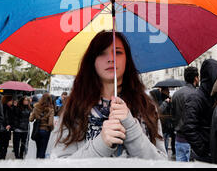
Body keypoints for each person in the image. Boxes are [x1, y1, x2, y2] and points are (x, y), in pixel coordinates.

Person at [51, 30, 167, 159]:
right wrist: (101, 144)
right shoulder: (74, 107)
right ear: (92, 61)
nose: (111, 59)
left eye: (117, 52)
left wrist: (130, 126)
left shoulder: (146, 105)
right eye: (101, 53)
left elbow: (161, 161)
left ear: (127, 59)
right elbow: (59, 163)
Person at [182, 58, 217, 163]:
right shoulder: (195, 98)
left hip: (215, 154)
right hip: (204, 157)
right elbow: (189, 128)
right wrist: (203, 151)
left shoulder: (214, 96)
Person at [171, 66, 199, 162]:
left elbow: (173, 116)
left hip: (179, 138)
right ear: (196, 78)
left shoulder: (175, 94)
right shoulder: (196, 94)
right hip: (191, 140)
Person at [29, 93, 54, 158]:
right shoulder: (51, 110)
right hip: (45, 131)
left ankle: (37, 164)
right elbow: (50, 123)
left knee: (38, 149)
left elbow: (31, 119)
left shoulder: (36, 107)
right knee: (43, 150)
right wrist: (51, 129)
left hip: (37, 131)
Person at [0, 95, 15, 159]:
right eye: (11, 101)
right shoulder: (7, 108)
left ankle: (0, 158)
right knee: (4, 146)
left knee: (1, 145)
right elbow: (6, 119)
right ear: (8, 101)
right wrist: (8, 125)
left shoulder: (3, 107)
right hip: (5, 130)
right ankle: (1, 158)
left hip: (2, 130)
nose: (12, 102)